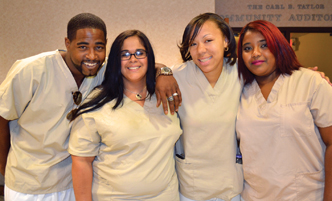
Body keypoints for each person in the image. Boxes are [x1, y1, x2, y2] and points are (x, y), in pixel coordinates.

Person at [0, 13, 180, 200]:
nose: (92, 55)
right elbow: (2, 117)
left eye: (99, 47)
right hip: (30, 184)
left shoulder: (100, 69)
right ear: (67, 43)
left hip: (72, 182)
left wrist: (165, 71)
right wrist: (4, 168)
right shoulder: (30, 70)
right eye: (82, 46)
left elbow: (137, 63)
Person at [68, 30, 182, 200]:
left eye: (139, 53)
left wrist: (164, 71)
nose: (133, 59)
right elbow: (82, 162)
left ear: (149, 58)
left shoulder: (165, 95)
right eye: (125, 54)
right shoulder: (97, 104)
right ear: (115, 62)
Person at [236, 20, 332, 200]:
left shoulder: (311, 82)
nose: (255, 53)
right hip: (254, 195)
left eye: (264, 45)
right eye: (247, 48)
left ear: (278, 47)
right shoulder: (239, 90)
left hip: (305, 195)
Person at [171, 13, 243, 201]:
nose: (200, 50)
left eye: (208, 40)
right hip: (191, 188)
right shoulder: (177, 76)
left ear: (226, 41)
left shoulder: (241, 73)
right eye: (193, 44)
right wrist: (161, 71)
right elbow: (147, 72)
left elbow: (275, 76)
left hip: (232, 186)